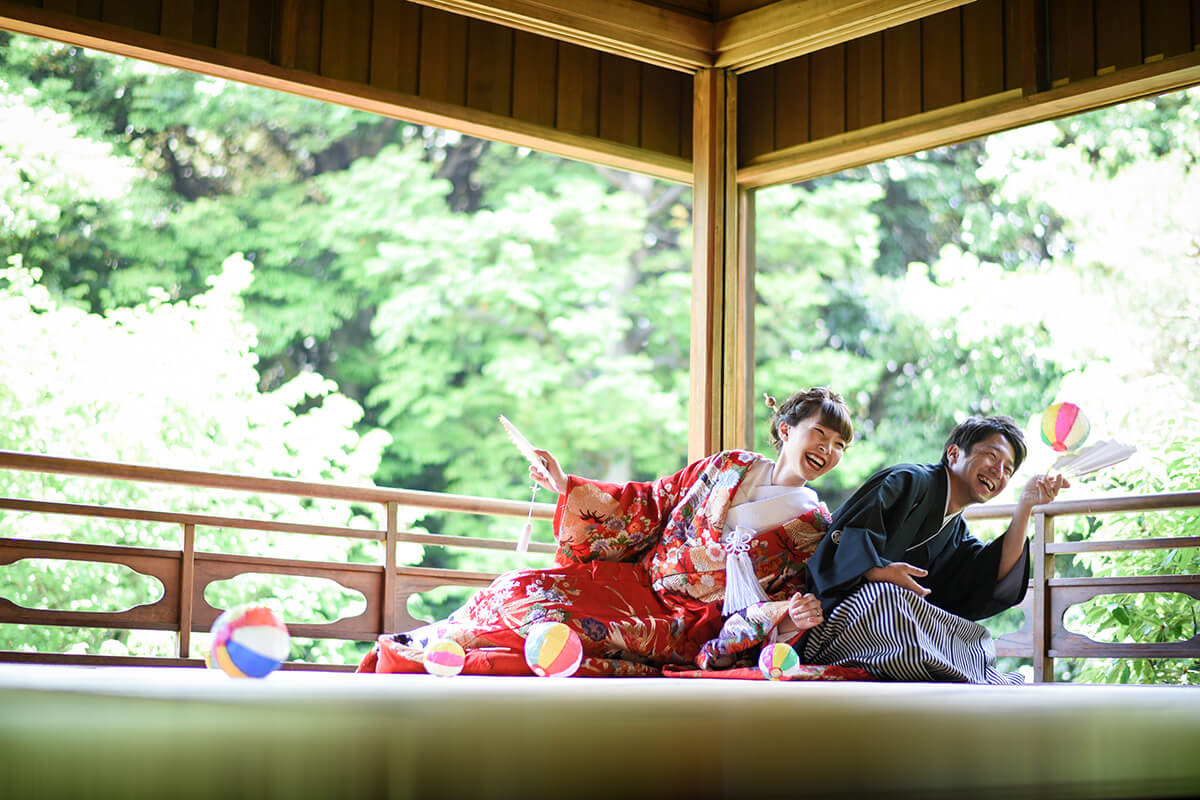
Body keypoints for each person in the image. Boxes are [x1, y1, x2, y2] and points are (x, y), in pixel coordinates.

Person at [358, 387, 860, 677]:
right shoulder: (728, 467)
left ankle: (454, 658)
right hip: (638, 585)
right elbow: (651, 501)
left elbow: (787, 603)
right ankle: (434, 642)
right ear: (786, 429)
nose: (828, 450)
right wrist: (564, 484)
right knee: (522, 588)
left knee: (569, 629)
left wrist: (786, 616)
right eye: (821, 432)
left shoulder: (815, 528)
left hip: (688, 624)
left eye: (839, 445)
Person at [801, 414, 1070, 684]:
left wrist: (1025, 506)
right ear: (953, 453)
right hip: (831, 624)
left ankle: (974, 678)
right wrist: (877, 570)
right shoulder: (906, 481)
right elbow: (844, 538)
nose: (998, 472)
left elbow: (988, 576)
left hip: (892, 632)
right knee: (889, 598)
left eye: (1007, 470)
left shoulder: (956, 530)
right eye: (992, 456)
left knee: (973, 633)